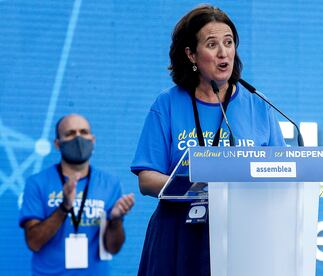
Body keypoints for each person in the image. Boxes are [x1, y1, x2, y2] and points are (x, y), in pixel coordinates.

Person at [131, 4, 286, 276]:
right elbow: (146, 179)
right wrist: (193, 185)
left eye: (228, 42)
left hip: (241, 234)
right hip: (178, 235)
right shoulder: (167, 104)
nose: (223, 52)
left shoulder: (258, 108)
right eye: (212, 44)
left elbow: (280, 172)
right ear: (191, 54)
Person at [19, 114, 135, 276]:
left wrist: (115, 220)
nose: (78, 138)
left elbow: (112, 248)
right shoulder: (37, 183)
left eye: (84, 132)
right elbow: (33, 243)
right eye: (70, 133)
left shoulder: (110, 183)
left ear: (93, 139)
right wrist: (64, 207)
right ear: (58, 144)